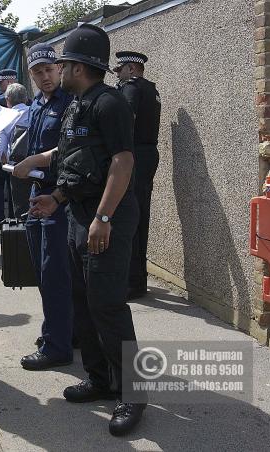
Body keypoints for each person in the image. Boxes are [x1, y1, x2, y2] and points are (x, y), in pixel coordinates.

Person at [14, 24, 145, 436]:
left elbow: (122, 163)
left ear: (79, 66)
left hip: (108, 218)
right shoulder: (76, 105)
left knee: (107, 303)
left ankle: (133, 392)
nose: (58, 69)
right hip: (77, 214)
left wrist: (103, 218)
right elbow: (75, 164)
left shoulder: (110, 104)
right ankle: (100, 379)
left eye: (64, 64)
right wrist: (56, 198)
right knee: (82, 299)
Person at [17, 43, 74, 371]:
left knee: (55, 273)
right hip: (37, 193)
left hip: (59, 197)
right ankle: (59, 332)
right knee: (41, 270)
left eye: (49, 70)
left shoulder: (69, 102)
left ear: (60, 68)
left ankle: (57, 345)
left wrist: (35, 160)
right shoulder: (36, 104)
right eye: (38, 72)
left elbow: (67, 148)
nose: (44, 76)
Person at [114, 51, 161, 300]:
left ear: (131, 68)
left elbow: (125, 119)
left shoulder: (131, 88)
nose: (117, 75)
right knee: (141, 217)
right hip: (147, 154)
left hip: (135, 156)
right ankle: (138, 279)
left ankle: (132, 282)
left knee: (131, 218)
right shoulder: (151, 89)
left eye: (119, 69)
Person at [0, 68, 19, 230]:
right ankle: (15, 221)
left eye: (1, 83)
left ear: (9, 82)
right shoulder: (28, 100)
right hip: (20, 155)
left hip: (2, 152)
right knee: (16, 189)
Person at [0, 83, 30, 217]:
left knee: (21, 210)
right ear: (26, 98)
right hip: (39, 167)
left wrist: (6, 164)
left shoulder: (4, 118)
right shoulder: (35, 112)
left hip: (17, 168)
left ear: (7, 100)